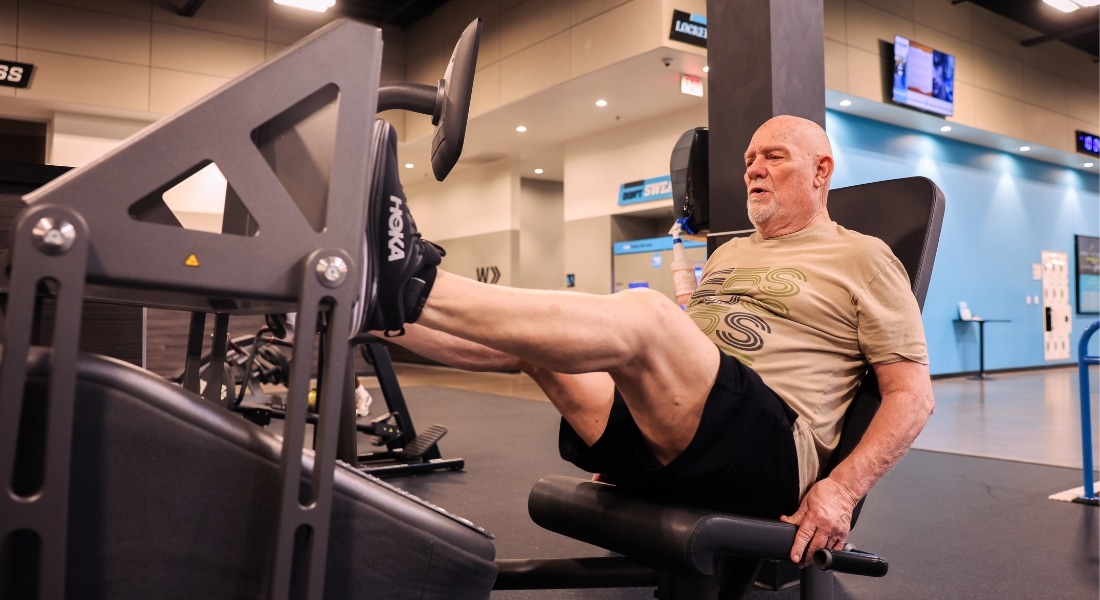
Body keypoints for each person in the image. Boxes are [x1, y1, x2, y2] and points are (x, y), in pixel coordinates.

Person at [363, 115, 935, 567]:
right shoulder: (731, 253)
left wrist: (841, 491)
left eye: (774, 157)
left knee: (645, 312)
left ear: (820, 170)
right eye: (748, 160)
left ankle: (415, 281)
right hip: (683, 431)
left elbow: (912, 396)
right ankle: (374, 311)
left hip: (770, 448)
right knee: (535, 344)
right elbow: (689, 353)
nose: (754, 170)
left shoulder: (864, 256)